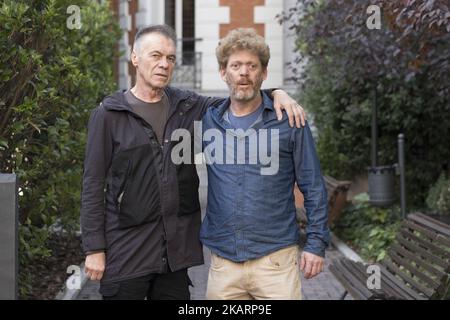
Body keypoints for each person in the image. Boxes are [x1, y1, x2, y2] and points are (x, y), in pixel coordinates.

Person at [80, 24, 306, 300]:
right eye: (156, 56)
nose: (164, 64)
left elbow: (239, 97)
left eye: (171, 58)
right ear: (135, 58)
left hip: (174, 258)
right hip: (127, 251)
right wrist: (94, 248)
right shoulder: (109, 115)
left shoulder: (187, 106)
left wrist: (275, 92)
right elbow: (93, 183)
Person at [200, 28, 330, 300]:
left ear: (263, 73)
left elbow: (313, 186)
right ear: (224, 73)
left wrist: (316, 244)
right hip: (224, 264)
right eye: (236, 66)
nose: (244, 72)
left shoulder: (290, 121)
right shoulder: (209, 120)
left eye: (252, 66)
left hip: (276, 263)